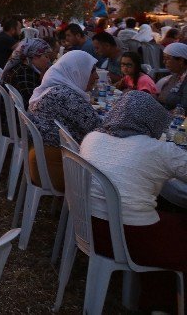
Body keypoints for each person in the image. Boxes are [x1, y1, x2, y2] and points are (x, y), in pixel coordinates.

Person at [79, 91, 187, 312]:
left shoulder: (92, 138)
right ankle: (162, 304)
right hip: (131, 239)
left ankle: (156, 297)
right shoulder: (158, 150)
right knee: (177, 229)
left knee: (164, 219)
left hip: (88, 227)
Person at [27, 50, 101, 188]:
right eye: (92, 71)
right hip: (55, 168)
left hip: (43, 161)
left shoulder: (54, 89)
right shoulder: (66, 97)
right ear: (77, 71)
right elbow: (99, 129)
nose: (96, 77)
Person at [0, 37, 54, 106]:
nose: (48, 61)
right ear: (34, 56)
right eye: (46, 56)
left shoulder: (21, 68)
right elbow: (35, 105)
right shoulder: (25, 74)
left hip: (12, 114)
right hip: (17, 116)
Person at [156, 42, 187, 110]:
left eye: (167, 59)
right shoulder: (174, 76)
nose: (164, 62)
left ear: (181, 60)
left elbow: (183, 109)